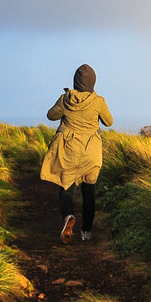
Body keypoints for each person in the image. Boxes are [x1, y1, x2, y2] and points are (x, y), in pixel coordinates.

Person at [41, 63, 113, 243]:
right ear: (93, 82)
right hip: (91, 152)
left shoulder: (66, 99)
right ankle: (86, 232)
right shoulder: (99, 101)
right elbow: (109, 122)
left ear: (76, 81)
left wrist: (65, 105)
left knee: (66, 187)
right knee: (89, 191)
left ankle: (68, 217)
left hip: (69, 150)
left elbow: (51, 116)